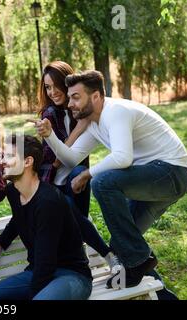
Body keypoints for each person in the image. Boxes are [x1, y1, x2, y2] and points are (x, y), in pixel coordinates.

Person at [36, 70, 187, 293]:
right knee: (124, 247)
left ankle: (139, 260)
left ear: (97, 96)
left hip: (172, 173)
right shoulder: (94, 123)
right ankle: (158, 289)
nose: (70, 104)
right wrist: (50, 135)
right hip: (153, 180)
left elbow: (123, 157)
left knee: (102, 182)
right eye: (70, 97)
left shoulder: (116, 111)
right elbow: (70, 158)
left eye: (76, 97)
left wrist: (87, 174)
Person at [0, 135, 93, 300]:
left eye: (9, 156)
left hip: (71, 276)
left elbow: (46, 262)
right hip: (36, 272)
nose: (2, 161)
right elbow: (19, 217)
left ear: (27, 161)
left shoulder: (48, 201)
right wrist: (1, 242)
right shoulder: (14, 192)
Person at [34, 61, 120, 273]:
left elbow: (72, 158)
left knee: (79, 173)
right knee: (68, 209)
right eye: (47, 87)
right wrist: (79, 129)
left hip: (75, 178)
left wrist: (81, 125)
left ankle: (105, 256)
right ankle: (108, 255)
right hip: (52, 181)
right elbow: (53, 160)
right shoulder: (48, 115)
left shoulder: (82, 111)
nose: (53, 92)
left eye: (56, 85)